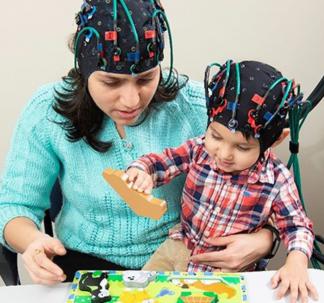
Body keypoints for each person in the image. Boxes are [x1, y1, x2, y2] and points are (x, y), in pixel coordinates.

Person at [0, 1, 274, 285]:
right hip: (84, 263)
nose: (132, 101)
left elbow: (266, 188)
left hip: (181, 258)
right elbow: (14, 205)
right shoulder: (47, 112)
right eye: (111, 82)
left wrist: (265, 240)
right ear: (83, 69)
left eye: (145, 78)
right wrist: (31, 241)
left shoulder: (200, 108)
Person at [126, 60, 319, 302]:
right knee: (138, 295)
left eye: (242, 147)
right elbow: (164, 161)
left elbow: (297, 226)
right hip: (178, 247)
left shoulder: (277, 180)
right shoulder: (199, 149)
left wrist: (297, 262)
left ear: (277, 140)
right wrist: (141, 170)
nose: (224, 154)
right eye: (216, 136)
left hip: (228, 271)